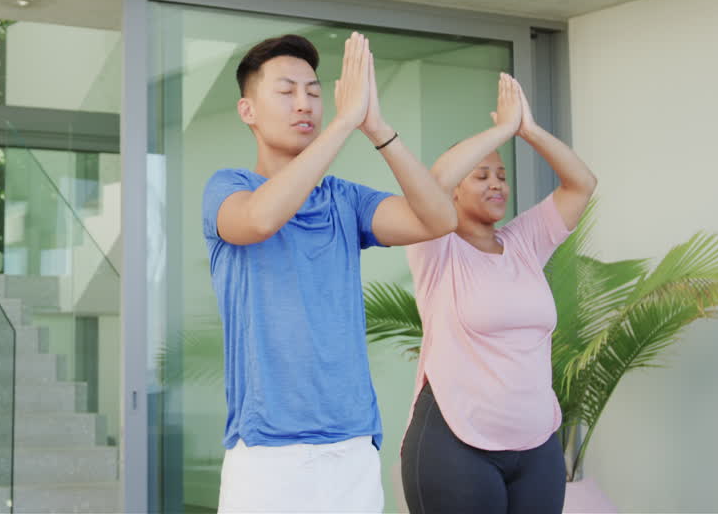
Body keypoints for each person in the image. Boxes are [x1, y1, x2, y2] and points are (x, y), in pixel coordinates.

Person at [203, 32, 457, 513]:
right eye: (286, 91)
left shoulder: (345, 199)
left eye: (314, 92)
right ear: (247, 111)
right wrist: (343, 124)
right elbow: (260, 219)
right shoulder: (227, 189)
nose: (305, 104)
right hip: (267, 453)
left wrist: (376, 127)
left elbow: (439, 219)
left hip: (352, 446)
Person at [399, 73, 597, 514]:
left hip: (536, 445)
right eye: (481, 175)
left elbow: (581, 183)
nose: (497, 184)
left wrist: (527, 129)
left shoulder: (525, 241)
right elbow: (429, 184)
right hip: (455, 442)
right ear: (453, 191)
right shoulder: (434, 245)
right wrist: (498, 131)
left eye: (502, 175)